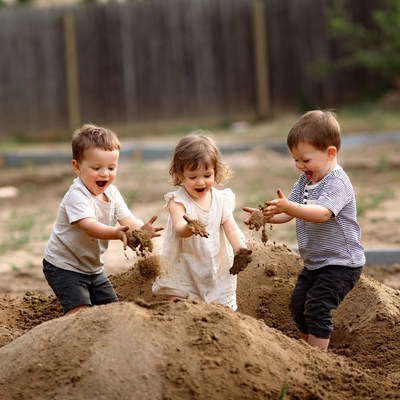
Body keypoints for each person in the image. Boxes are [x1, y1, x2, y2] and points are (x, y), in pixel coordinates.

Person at [244, 110, 365, 350]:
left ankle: (318, 360)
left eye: (305, 160)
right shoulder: (305, 182)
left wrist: (289, 206)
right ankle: (305, 353)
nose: (299, 166)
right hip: (315, 263)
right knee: (298, 306)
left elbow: (321, 213)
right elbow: (291, 212)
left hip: (341, 264)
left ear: (330, 153)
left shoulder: (337, 183)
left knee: (317, 307)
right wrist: (267, 215)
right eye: (295, 160)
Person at [43, 123, 163, 315]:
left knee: (113, 311)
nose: (105, 173)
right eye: (96, 167)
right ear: (77, 166)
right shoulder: (77, 196)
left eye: (111, 167)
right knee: (80, 312)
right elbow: (89, 227)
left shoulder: (112, 193)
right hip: (63, 266)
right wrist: (116, 233)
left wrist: (142, 230)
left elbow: (127, 219)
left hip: (93, 268)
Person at [152, 132, 252, 310]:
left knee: (220, 302)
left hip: (214, 263)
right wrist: (190, 227)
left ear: (216, 171)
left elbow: (231, 229)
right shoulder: (178, 201)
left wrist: (240, 249)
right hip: (185, 262)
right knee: (178, 298)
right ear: (180, 175)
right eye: (192, 177)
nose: (200, 182)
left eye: (207, 175)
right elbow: (179, 228)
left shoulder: (221, 200)